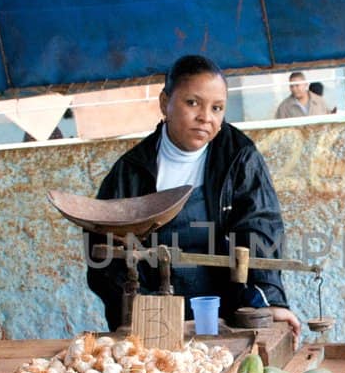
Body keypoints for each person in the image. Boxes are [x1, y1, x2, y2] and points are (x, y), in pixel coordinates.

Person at [88, 54, 300, 337]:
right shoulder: (130, 171)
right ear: (165, 103)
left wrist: (268, 300)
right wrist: (144, 315)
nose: (205, 117)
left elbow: (259, 228)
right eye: (192, 103)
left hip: (226, 311)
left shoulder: (239, 158)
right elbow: (105, 258)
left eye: (217, 108)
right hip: (154, 314)